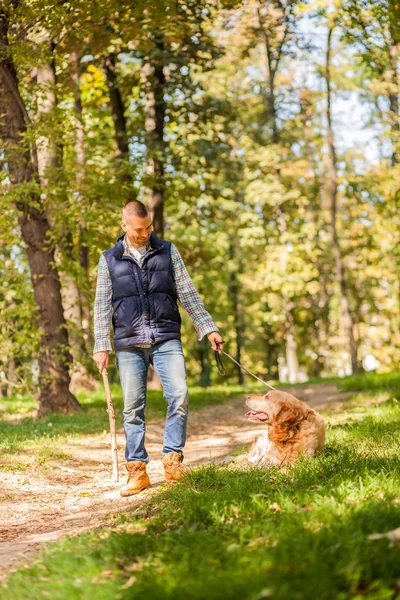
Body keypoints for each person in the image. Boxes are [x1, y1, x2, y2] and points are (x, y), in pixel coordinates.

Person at [93, 200, 224, 497]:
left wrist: (209, 328)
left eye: (149, 227)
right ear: (124, 225)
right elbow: (101, 305)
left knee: (179, 396)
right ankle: (137, 471)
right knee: (132, 408)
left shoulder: (167, 251)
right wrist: (101, 345)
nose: (145, 233)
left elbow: (188, 293)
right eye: (139, 229)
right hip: (128, 343)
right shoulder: (109, 259)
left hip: (166, 337)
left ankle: (173, 461)